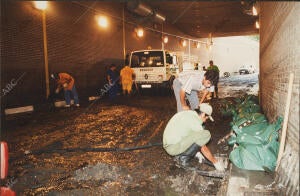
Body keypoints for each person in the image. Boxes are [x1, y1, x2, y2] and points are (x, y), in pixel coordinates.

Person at [163, 103, 225, 171]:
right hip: (173, 148)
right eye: (207, 118)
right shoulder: (195, 122)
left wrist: (195, 151)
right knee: (206, 134)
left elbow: (188, 134)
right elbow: (203, 148)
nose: (206, 120)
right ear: (203, 114)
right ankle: (183, 159)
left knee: (197, 134)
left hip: (169, 144)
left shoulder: (189, 114)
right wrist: (215, 162)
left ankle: (182, 154)